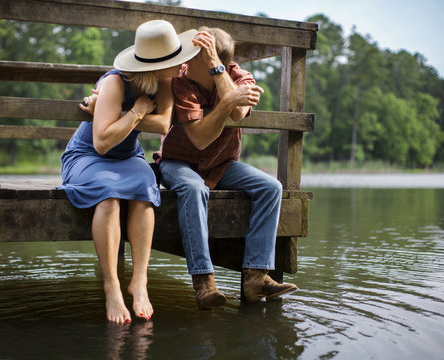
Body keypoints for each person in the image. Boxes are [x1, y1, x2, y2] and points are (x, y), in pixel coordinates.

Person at [59, 20, 201, 323]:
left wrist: (116, 115)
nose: (182, 66)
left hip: (129, 156)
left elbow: (163, 123)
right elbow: (101, 142)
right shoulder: (114, 82)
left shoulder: (165, 82)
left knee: (144, 191)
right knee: (109, 197)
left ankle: (139, 282)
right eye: (176, 62)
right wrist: (136, 111)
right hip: (89, 157)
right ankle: (111, 287)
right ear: (156, 64)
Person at [152, 27, 298, 309]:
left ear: (211, 61)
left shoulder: (236, 74)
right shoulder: (180, 81)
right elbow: (200, 138)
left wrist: (217, 73)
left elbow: (240, 112)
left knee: (271, 187)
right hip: (177, 162)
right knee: (193, 188)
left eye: (194, 56)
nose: (185, 61)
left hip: (221, 164)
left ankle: (256, 277)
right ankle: (204, 282)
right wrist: (228, 101)